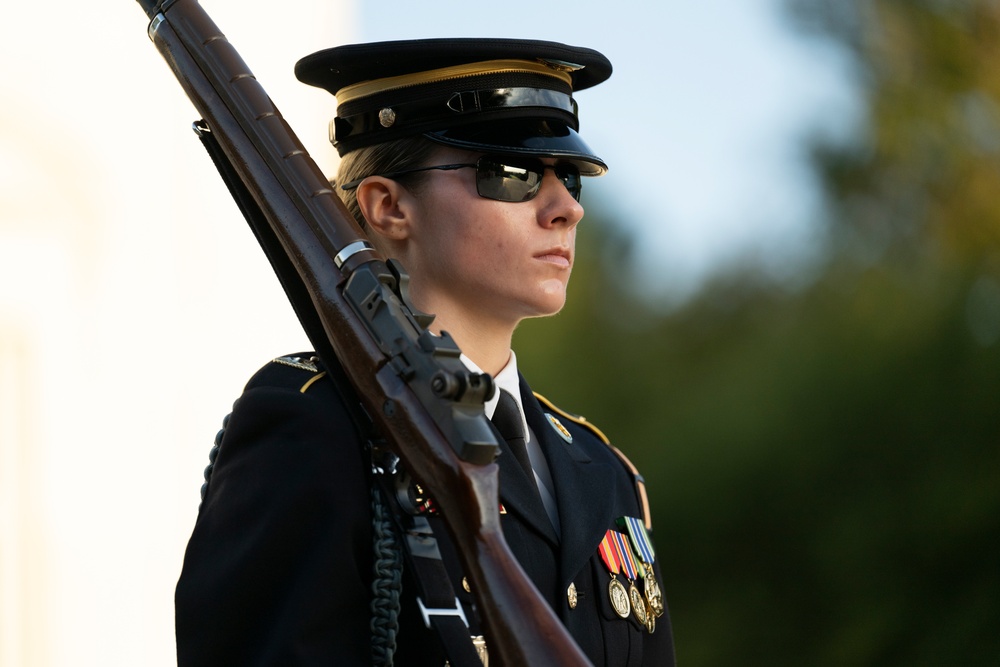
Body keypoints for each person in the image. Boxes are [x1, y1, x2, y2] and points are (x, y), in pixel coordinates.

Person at [175, 38, 675, 666]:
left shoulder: (602, 474)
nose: (566, 209)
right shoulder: (315, 427)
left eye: (568, 177)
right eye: (513, 175)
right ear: (388, 206)